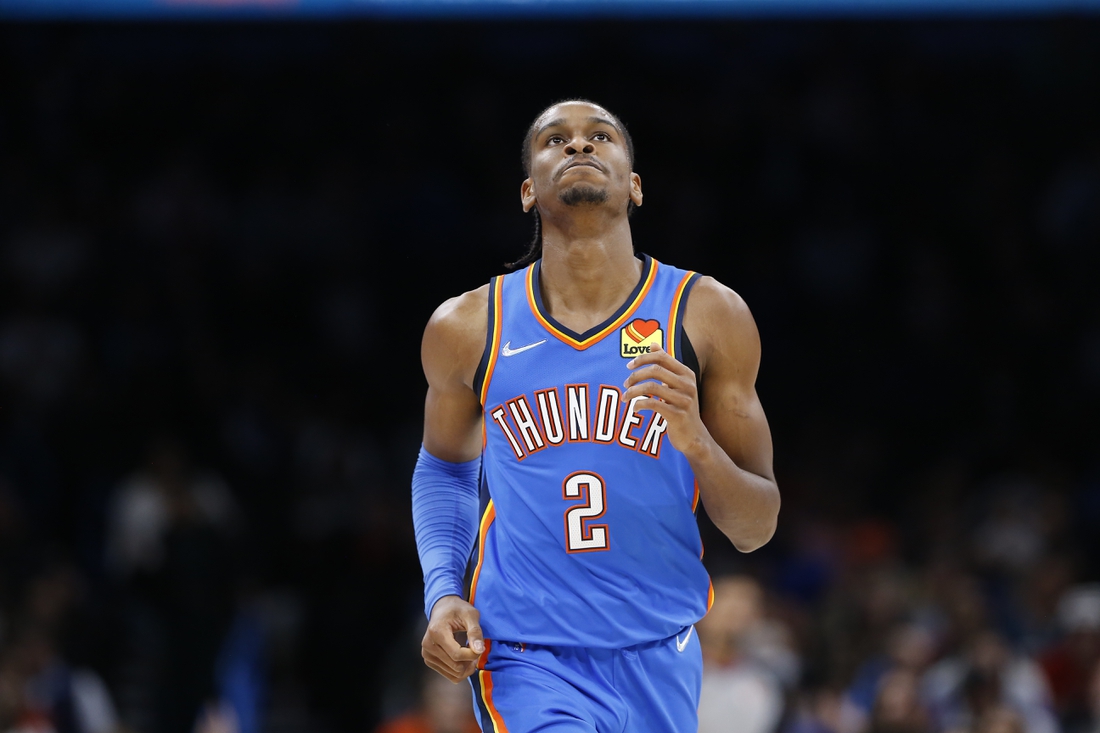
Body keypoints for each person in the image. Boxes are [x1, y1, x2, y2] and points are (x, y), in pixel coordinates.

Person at [412, 99, 781, 733]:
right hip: (527, 656)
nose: (579, 146)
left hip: (662, 651)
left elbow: (756, 525)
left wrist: (695, 440)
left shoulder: (708, 316)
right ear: (528, 191)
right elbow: (444, 469)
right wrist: (444, 590)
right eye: (556, 140)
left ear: (635, 186)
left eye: (600, 137)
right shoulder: (469, 326)